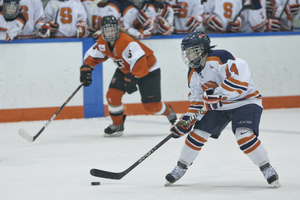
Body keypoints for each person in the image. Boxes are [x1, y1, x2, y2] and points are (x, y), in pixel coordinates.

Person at [164, 30, 280, 188]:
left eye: (192, 51)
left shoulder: (220, 57)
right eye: (187, 52)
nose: (188, 56)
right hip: (220, 107)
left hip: (245, 100)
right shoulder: (193, 73)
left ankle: (266, 167)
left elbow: (240, 81)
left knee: (243, 136)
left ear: (202, 48)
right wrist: (186, 121)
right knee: (197, 133)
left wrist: (218, 94)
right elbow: (198, 102)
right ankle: (181, 166)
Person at [80, 15, 177, 137]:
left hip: (148, 69)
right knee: (112, 95)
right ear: (102, 31)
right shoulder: (102, 42)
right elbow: (93, 55)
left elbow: (140, 59)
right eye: (107, 30)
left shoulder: (126, 41)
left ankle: (169, 112)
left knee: (151, 107)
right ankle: (117, 124)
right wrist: (87, 69)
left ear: (117, 29)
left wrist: (134, 77)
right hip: (126, 69)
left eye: (112, 30)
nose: (110, 33)